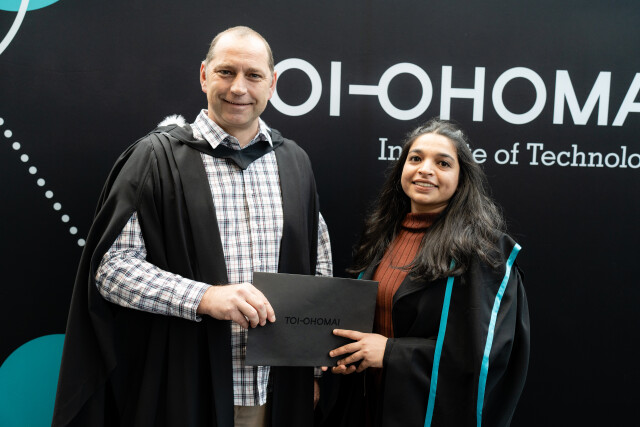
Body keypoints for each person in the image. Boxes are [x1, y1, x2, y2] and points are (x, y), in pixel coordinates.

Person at [52, 26, 332, 427]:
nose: (238, 88)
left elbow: (318, 270)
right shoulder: (155, 158)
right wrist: (205, 297)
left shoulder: (295, 162)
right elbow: (112, 269)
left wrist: (315, 370)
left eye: (253, 75)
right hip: (183, 388)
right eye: (226, 72)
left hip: (275, 393)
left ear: (272, 84)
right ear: (204, 75)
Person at [321, 119, 529, 427]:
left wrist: (391, 353)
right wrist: (350, 354)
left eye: (442, 163)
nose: (425, 169)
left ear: (461, 178)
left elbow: (482, 358)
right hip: (370, 404)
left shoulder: (484, 253)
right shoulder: (383, 236)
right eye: (415, 158)